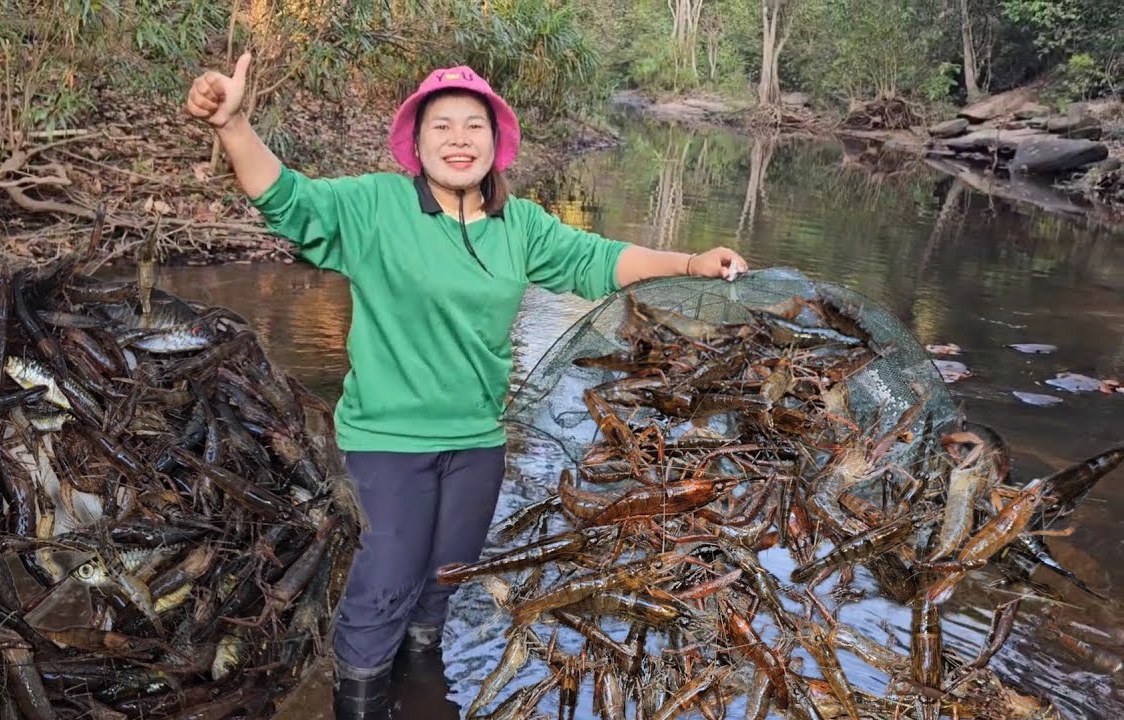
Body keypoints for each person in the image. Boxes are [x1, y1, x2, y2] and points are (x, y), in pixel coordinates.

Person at [186, 54, 749, 720]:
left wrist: (688, 262)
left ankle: (424, 688)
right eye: (442, 126)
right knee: (380, 590)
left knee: (442, 586)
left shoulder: (523, 225)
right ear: (416, 144)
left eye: (474, 125)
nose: (459, 139)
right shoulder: (376, 207)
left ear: (496, 141)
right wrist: (234, 127)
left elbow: (598, 262)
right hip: (386, 444)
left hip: (477, 444)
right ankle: (359, 698)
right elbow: (288, 199)